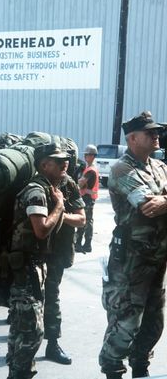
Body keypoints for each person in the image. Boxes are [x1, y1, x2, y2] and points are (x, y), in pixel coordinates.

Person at [99, 111, 167, 379]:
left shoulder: (160, 167)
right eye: (150, 133)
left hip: (157, 258)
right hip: (130, 260)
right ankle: (113, 369)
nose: (156, 136)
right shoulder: (122, 168)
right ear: (132, 138)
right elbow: (149, 206)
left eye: (157, 132)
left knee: (153, 323)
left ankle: (141, 367)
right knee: (126, 322)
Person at [6, 143, 73, 379]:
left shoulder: (49, 187)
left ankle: (17, 371)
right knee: (31, 330)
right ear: (45, 164)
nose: (65, 162)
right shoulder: (36, 190)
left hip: (33, 265)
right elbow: (41, 230)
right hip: (25, 266)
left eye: (66, 158)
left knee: (21, 327)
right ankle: (20, 373)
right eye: (58, 160)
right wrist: (60, 206)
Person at [44, 173, 86, 364]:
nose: (63, 166)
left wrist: (59, 214)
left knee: (51, 295)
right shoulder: (31, 180)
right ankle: (20, 347)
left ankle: (52, 343)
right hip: (27, 248)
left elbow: (81, 219)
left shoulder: (67, 183)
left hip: (55, 251)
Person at [75, 144, 99, 253]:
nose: (85, 157)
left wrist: (77, 176)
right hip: (89, 197)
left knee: (84, 221)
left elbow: (80, 184)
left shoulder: (90, 170)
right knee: (88, 221)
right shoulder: (89, 168)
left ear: (93, 156)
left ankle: (80, 244)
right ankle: (86, 244)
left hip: (87, 198)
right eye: (85, 155)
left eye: (88, 155)